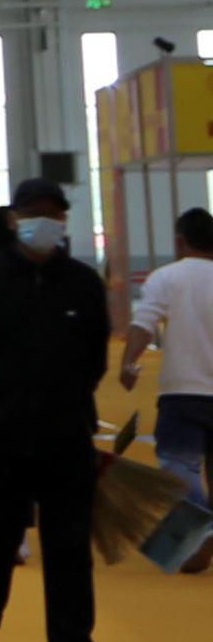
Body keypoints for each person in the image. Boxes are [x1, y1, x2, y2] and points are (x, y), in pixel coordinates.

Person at [0, 177, 113, 642]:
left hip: (66, 438)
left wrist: (70, 402)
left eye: (56, 213)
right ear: (15, 218)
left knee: (69, 547)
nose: (48, 221)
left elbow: (95, 355)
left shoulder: (83, 283)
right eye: (37, 211)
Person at [122, 204, 213, 521]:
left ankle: (198, 527)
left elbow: (144, 324)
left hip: (182, 394)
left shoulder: (166, 277)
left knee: (180, 479)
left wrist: (129, 363)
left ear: (179, 241)